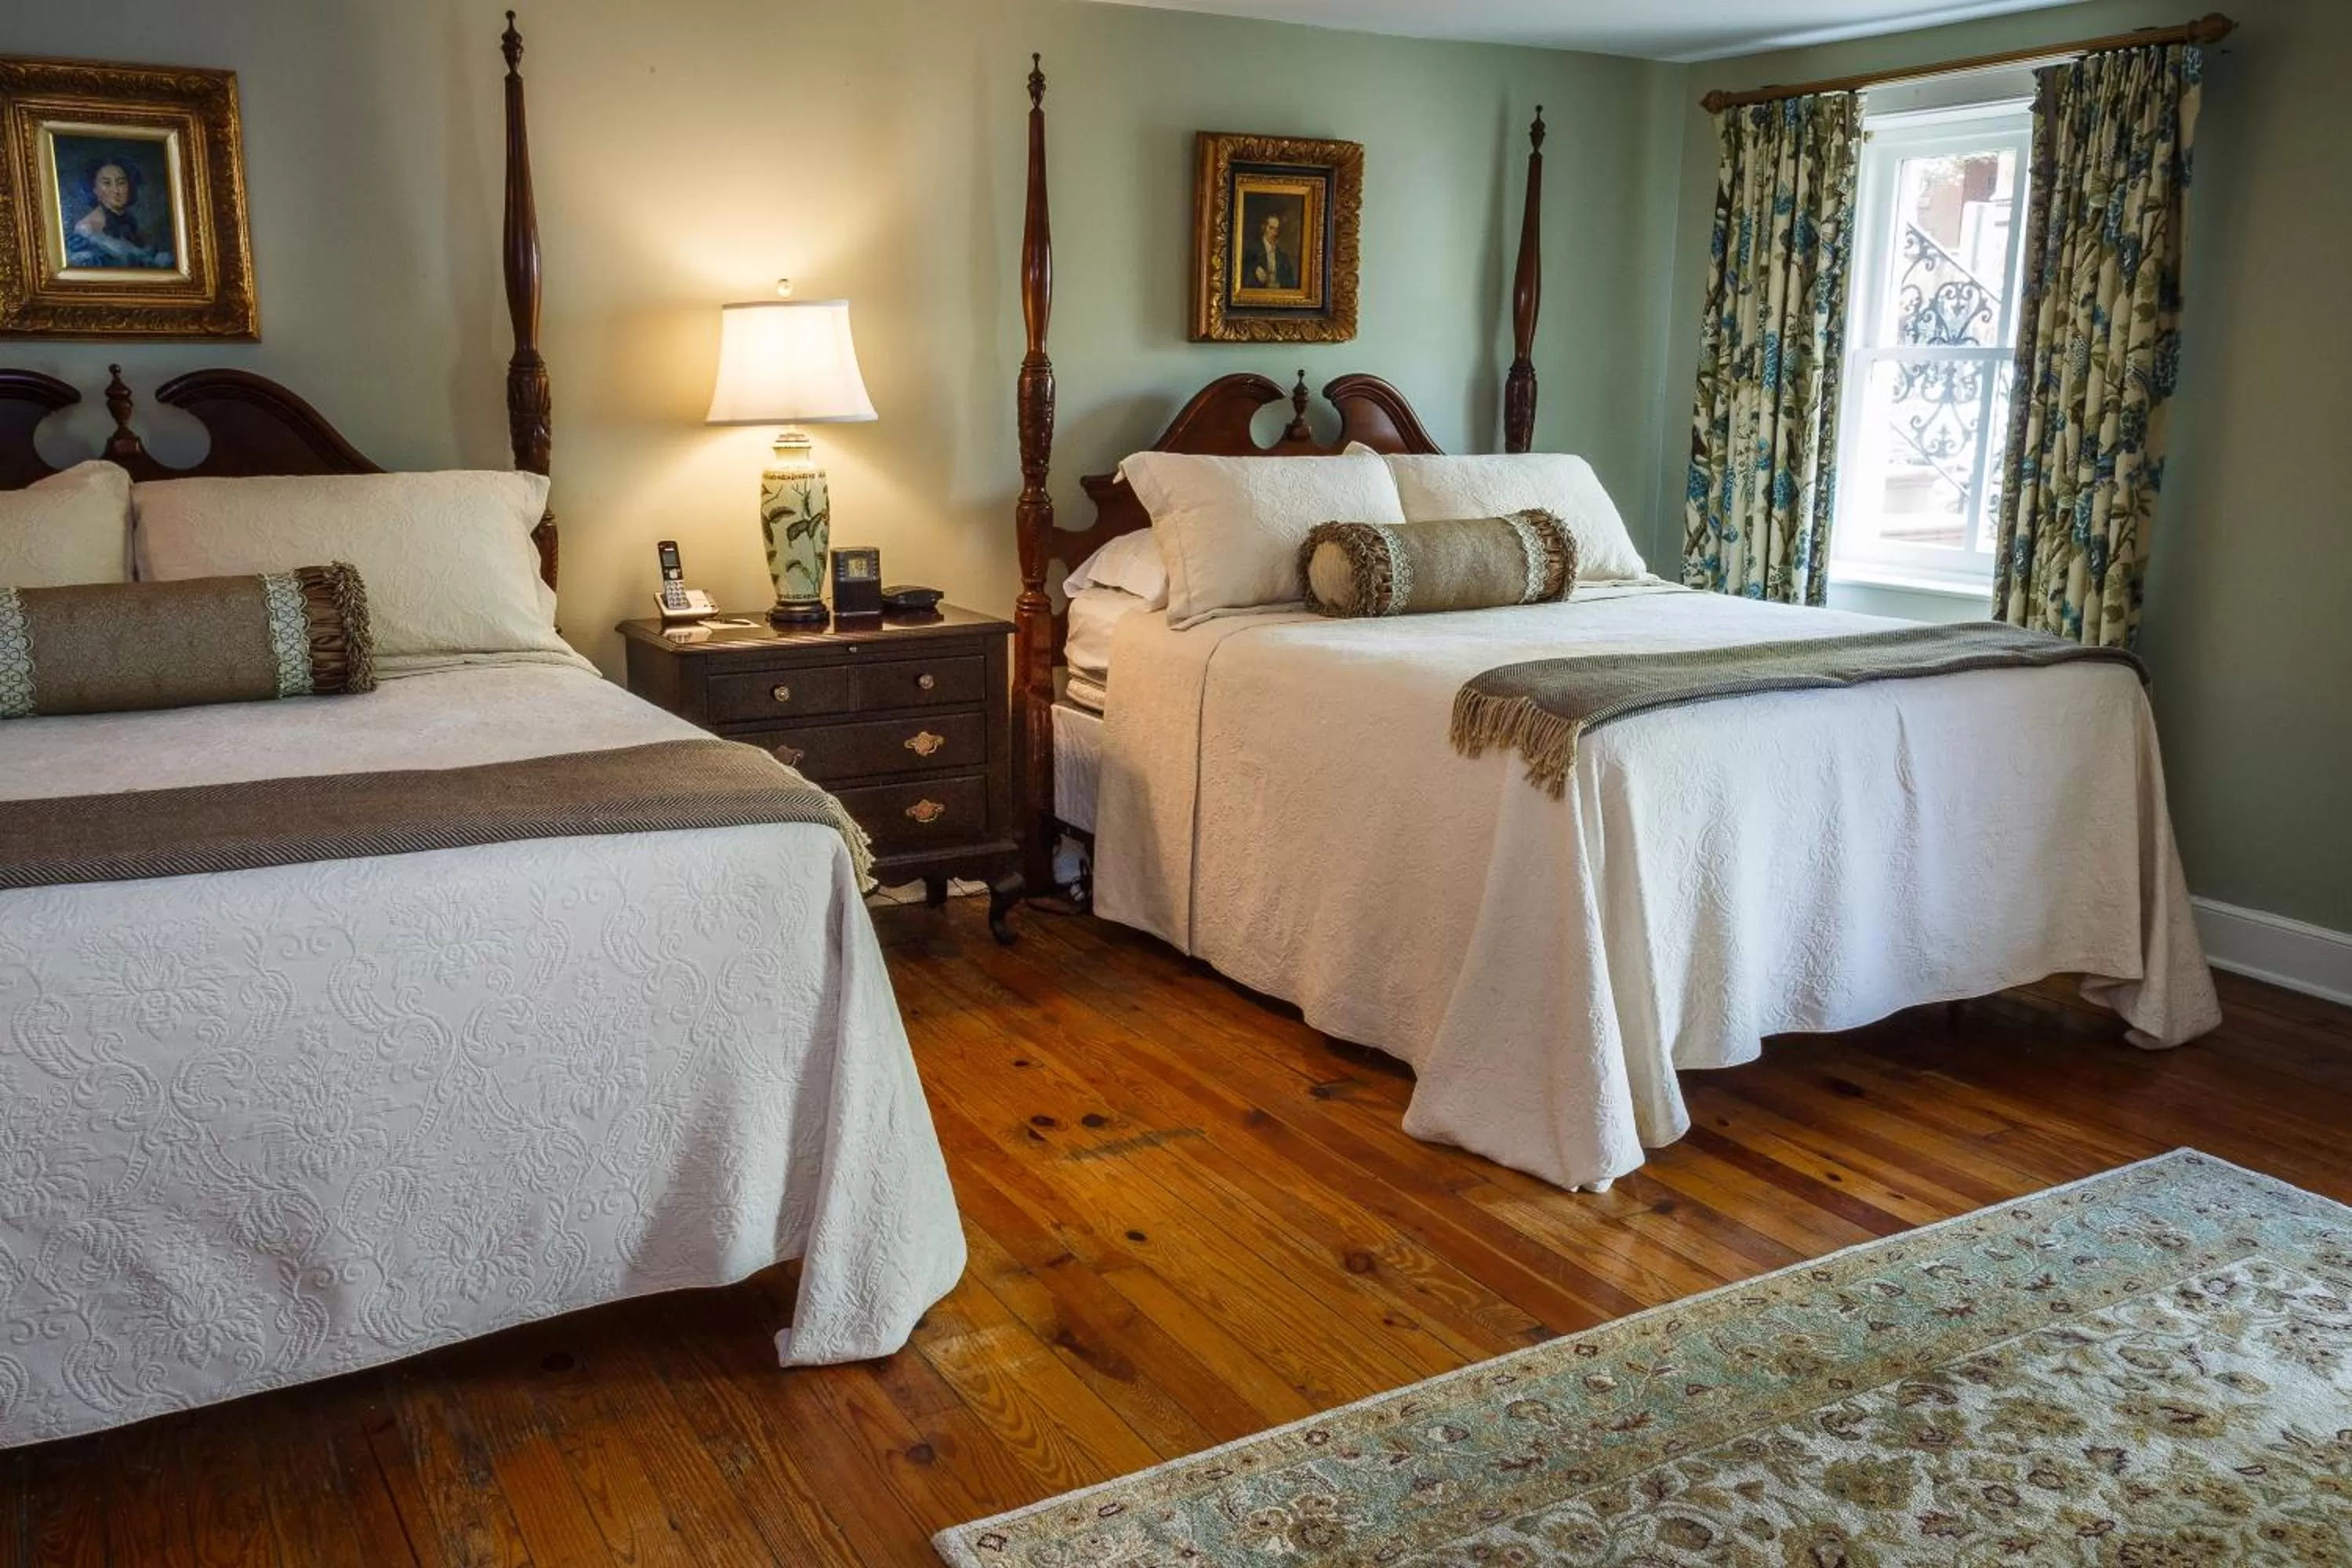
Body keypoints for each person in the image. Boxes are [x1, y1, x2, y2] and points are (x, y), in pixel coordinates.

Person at [64, 156, 174, 270]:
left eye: (121, 183)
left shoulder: (133, 226)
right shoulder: (86, 230)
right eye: (107, 183)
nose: (116, 191)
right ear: (94, 190)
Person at [1247, 209, 1298, 292]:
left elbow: (1290, 283)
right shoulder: (1252, 252)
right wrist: (1255, 273)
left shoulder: (1282, 256)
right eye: (1271, 228)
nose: (1274, 233)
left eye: (1276, 229)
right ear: (1263, 227)